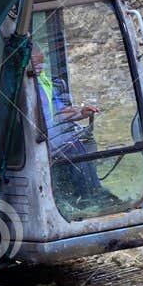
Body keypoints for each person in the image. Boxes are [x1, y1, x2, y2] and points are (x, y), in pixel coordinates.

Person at [28, 46, 101, 201]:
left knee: (77, 144)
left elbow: (59, 112)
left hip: (52, 139)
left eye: (42, 64)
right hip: (32, 143)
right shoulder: (17, 87)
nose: (40, 68)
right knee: (72, 151)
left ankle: (93, 193)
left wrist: (81, 112)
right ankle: (87, 196)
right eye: (36, 65)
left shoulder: (44, 82)